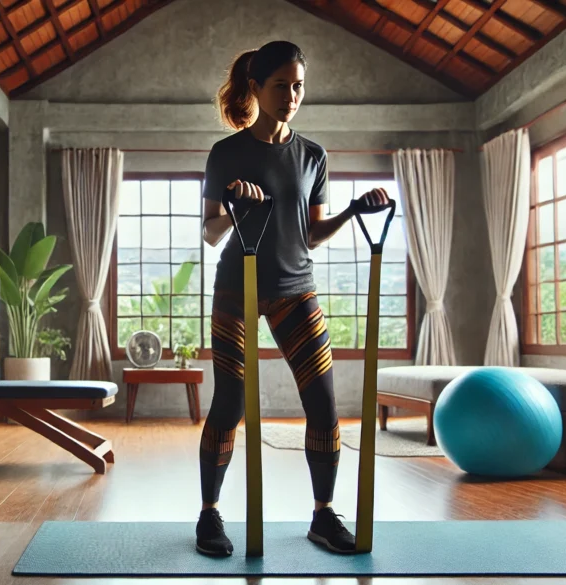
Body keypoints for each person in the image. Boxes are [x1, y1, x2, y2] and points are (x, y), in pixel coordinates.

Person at [195, 40, 390, 557]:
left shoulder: (313, 155)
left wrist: (352, 211)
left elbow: (309, 232)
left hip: (294, 289)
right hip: (236, 288)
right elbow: (212, 232)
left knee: (324, 405)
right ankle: (209, 516)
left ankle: (323, 517)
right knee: (229, 402)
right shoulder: (226, 153)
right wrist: (235, 203)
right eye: (281, 85)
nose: (291, 95)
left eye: (298, 85)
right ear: (256, 88)